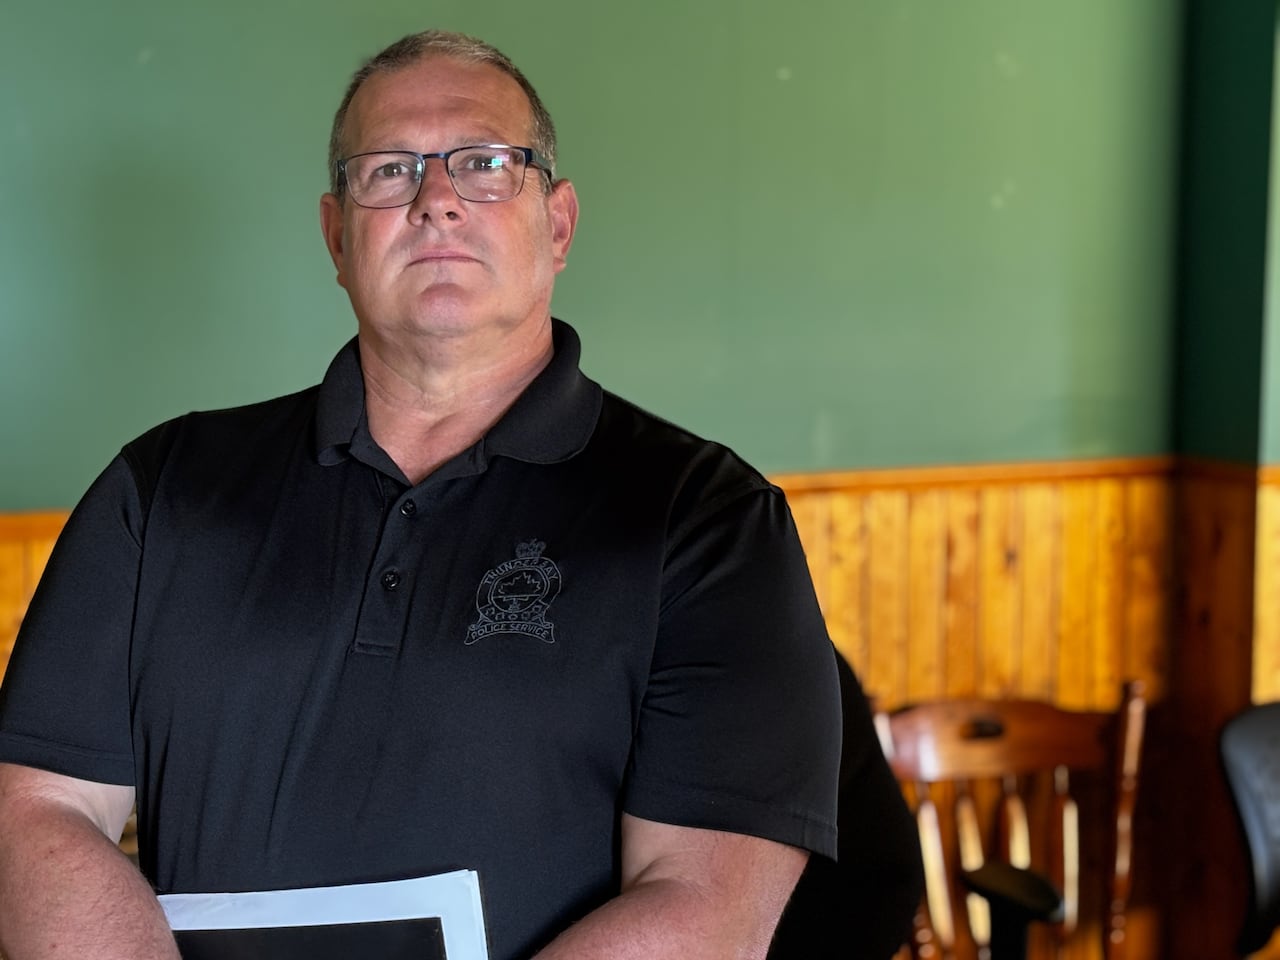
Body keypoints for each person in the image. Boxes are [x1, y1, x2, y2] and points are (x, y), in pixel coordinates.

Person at [0, 29, 917, 960]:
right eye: (389, 172)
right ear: (336, 235)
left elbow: (708, 907)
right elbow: (35, 808)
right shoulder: (158, 493)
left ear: (557, 225)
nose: (436, 201)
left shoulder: (709, 523)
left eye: (484, 164)